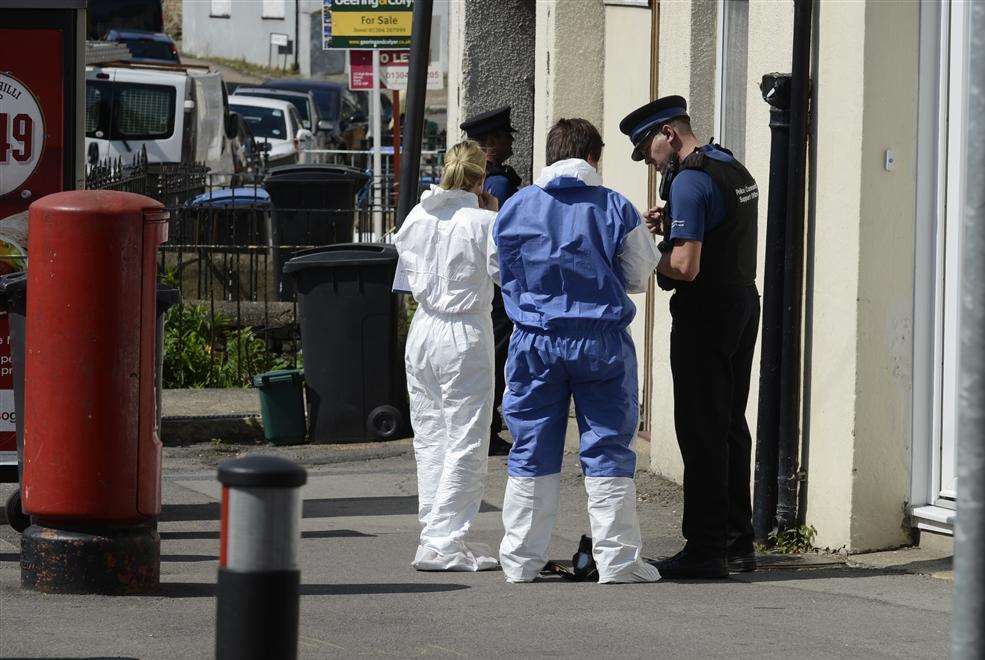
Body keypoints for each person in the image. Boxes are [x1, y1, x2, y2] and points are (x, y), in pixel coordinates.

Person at [494, 118, 662, 584]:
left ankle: (520, 561)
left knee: (530, 448)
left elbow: (500, 269)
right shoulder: (614, 207)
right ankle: (618, 561)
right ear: (593, 156)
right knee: (608, 447)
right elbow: (637, 276)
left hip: (534, 341)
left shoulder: (516, 207)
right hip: (600, 341)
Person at [620, 96, 761, 579]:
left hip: (706, 313)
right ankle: (738, 541)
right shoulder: (730, 165)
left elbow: (685, 265)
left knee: (701, 430)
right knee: (729, 426)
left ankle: (705, 549)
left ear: (668, 134)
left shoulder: (690, 179)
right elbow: (717, 224)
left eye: (648, 149)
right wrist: (675, 223)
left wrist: (640, 258)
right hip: (742, 301)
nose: (649, 160)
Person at [392, 140, 502, 572]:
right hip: (464, 329)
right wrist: (492, 211)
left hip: (424, 327)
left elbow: (404, 277)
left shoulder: (418, 215)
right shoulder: (484, 222)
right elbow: (505, 274)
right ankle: (446, 540)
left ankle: (433, 535)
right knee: (467, 439)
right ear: (480, 179)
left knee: (431, 435)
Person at [461, 107, 524, 457]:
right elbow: (499, 237)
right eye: (505, 136)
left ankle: (487, 426)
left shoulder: (494, 178)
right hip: (499, 288)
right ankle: (487, 429)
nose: (512, 140)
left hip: (493, 286)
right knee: (496, 357)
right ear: (492, 143)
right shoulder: (497, 182)